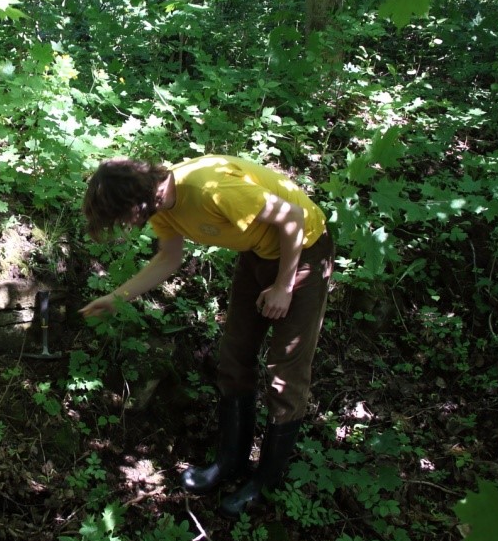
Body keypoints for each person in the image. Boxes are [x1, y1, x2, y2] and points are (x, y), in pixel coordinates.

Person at [80, 155, 334, 517]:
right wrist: (115, 298)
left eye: (123, 216)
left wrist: (284, 285)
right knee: (234, 356)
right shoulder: (161, 206)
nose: (125, 225)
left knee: (285, 371)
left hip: (304, 249)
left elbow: (292, 216)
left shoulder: (208, 189)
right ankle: (229, 461)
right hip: (258, 252)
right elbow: (169, 259)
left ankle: (266, 482)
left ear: (138, 200)